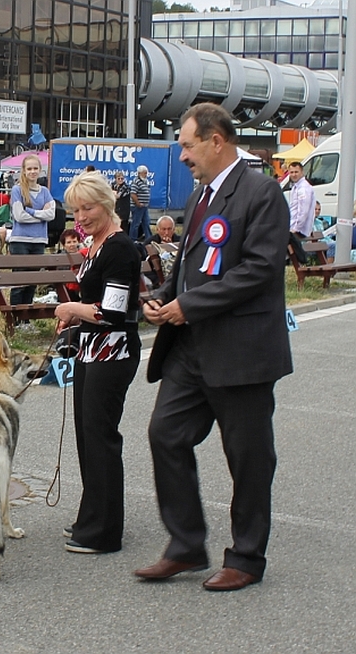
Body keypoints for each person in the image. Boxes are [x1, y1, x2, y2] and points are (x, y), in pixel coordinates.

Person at [137, 102, 292, 592]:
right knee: (166, 434)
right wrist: (163, 297)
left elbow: (260, 270)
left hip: (240, 350)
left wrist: (190, 305)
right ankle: (185, 545)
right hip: (190, 347)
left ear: (216, 141)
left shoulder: (262, 193)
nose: (181, 155)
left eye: (187, 145)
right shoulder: (201, 197)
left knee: (248, 457)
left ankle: (246, 557)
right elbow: (189, 265)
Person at [53, 172, 142, 555]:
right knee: (87, 436)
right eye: (75, 211)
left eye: (87, 208)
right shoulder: (96, 245)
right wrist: (76, 316)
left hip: (114, 351)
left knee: (101, 437)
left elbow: (114, 313)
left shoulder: (121, 248)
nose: (81, 218)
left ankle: (105, 530)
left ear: (106, 205)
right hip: (91, 350)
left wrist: (72, 307)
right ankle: (92, 516)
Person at [6, 154, 55, 332]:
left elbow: (52, 215)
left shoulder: (45, 192)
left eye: (35, 168)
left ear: (40, 170)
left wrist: (31, 212)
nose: (33, 172)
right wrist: (40, 214)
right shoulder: (17, 191)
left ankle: (26, 319)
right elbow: (19, 216)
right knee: (20, 280)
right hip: (21, 241)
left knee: (32, 281)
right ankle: (15, 319)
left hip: (39, 241)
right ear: (24, 171)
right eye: (29, 169)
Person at [287, 160, 316, 238]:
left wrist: (296, 228)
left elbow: (304, 211)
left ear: (302, 172)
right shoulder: (297, 187)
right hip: (293, 227)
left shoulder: (303, 188)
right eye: (291, 172)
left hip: (298, 230)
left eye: (296, 172)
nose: (294, 174)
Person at [128, 165, 152, 241]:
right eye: (144, 173)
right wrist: (138, 203)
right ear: (139, 173)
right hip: (138, 206)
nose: (146, 175)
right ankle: (132, 239)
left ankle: (149, 239)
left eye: (146, 173)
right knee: (135, 224)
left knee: (146, 222)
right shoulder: (136, 181)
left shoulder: (144, 181)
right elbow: (133, 194)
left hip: (144, 206)